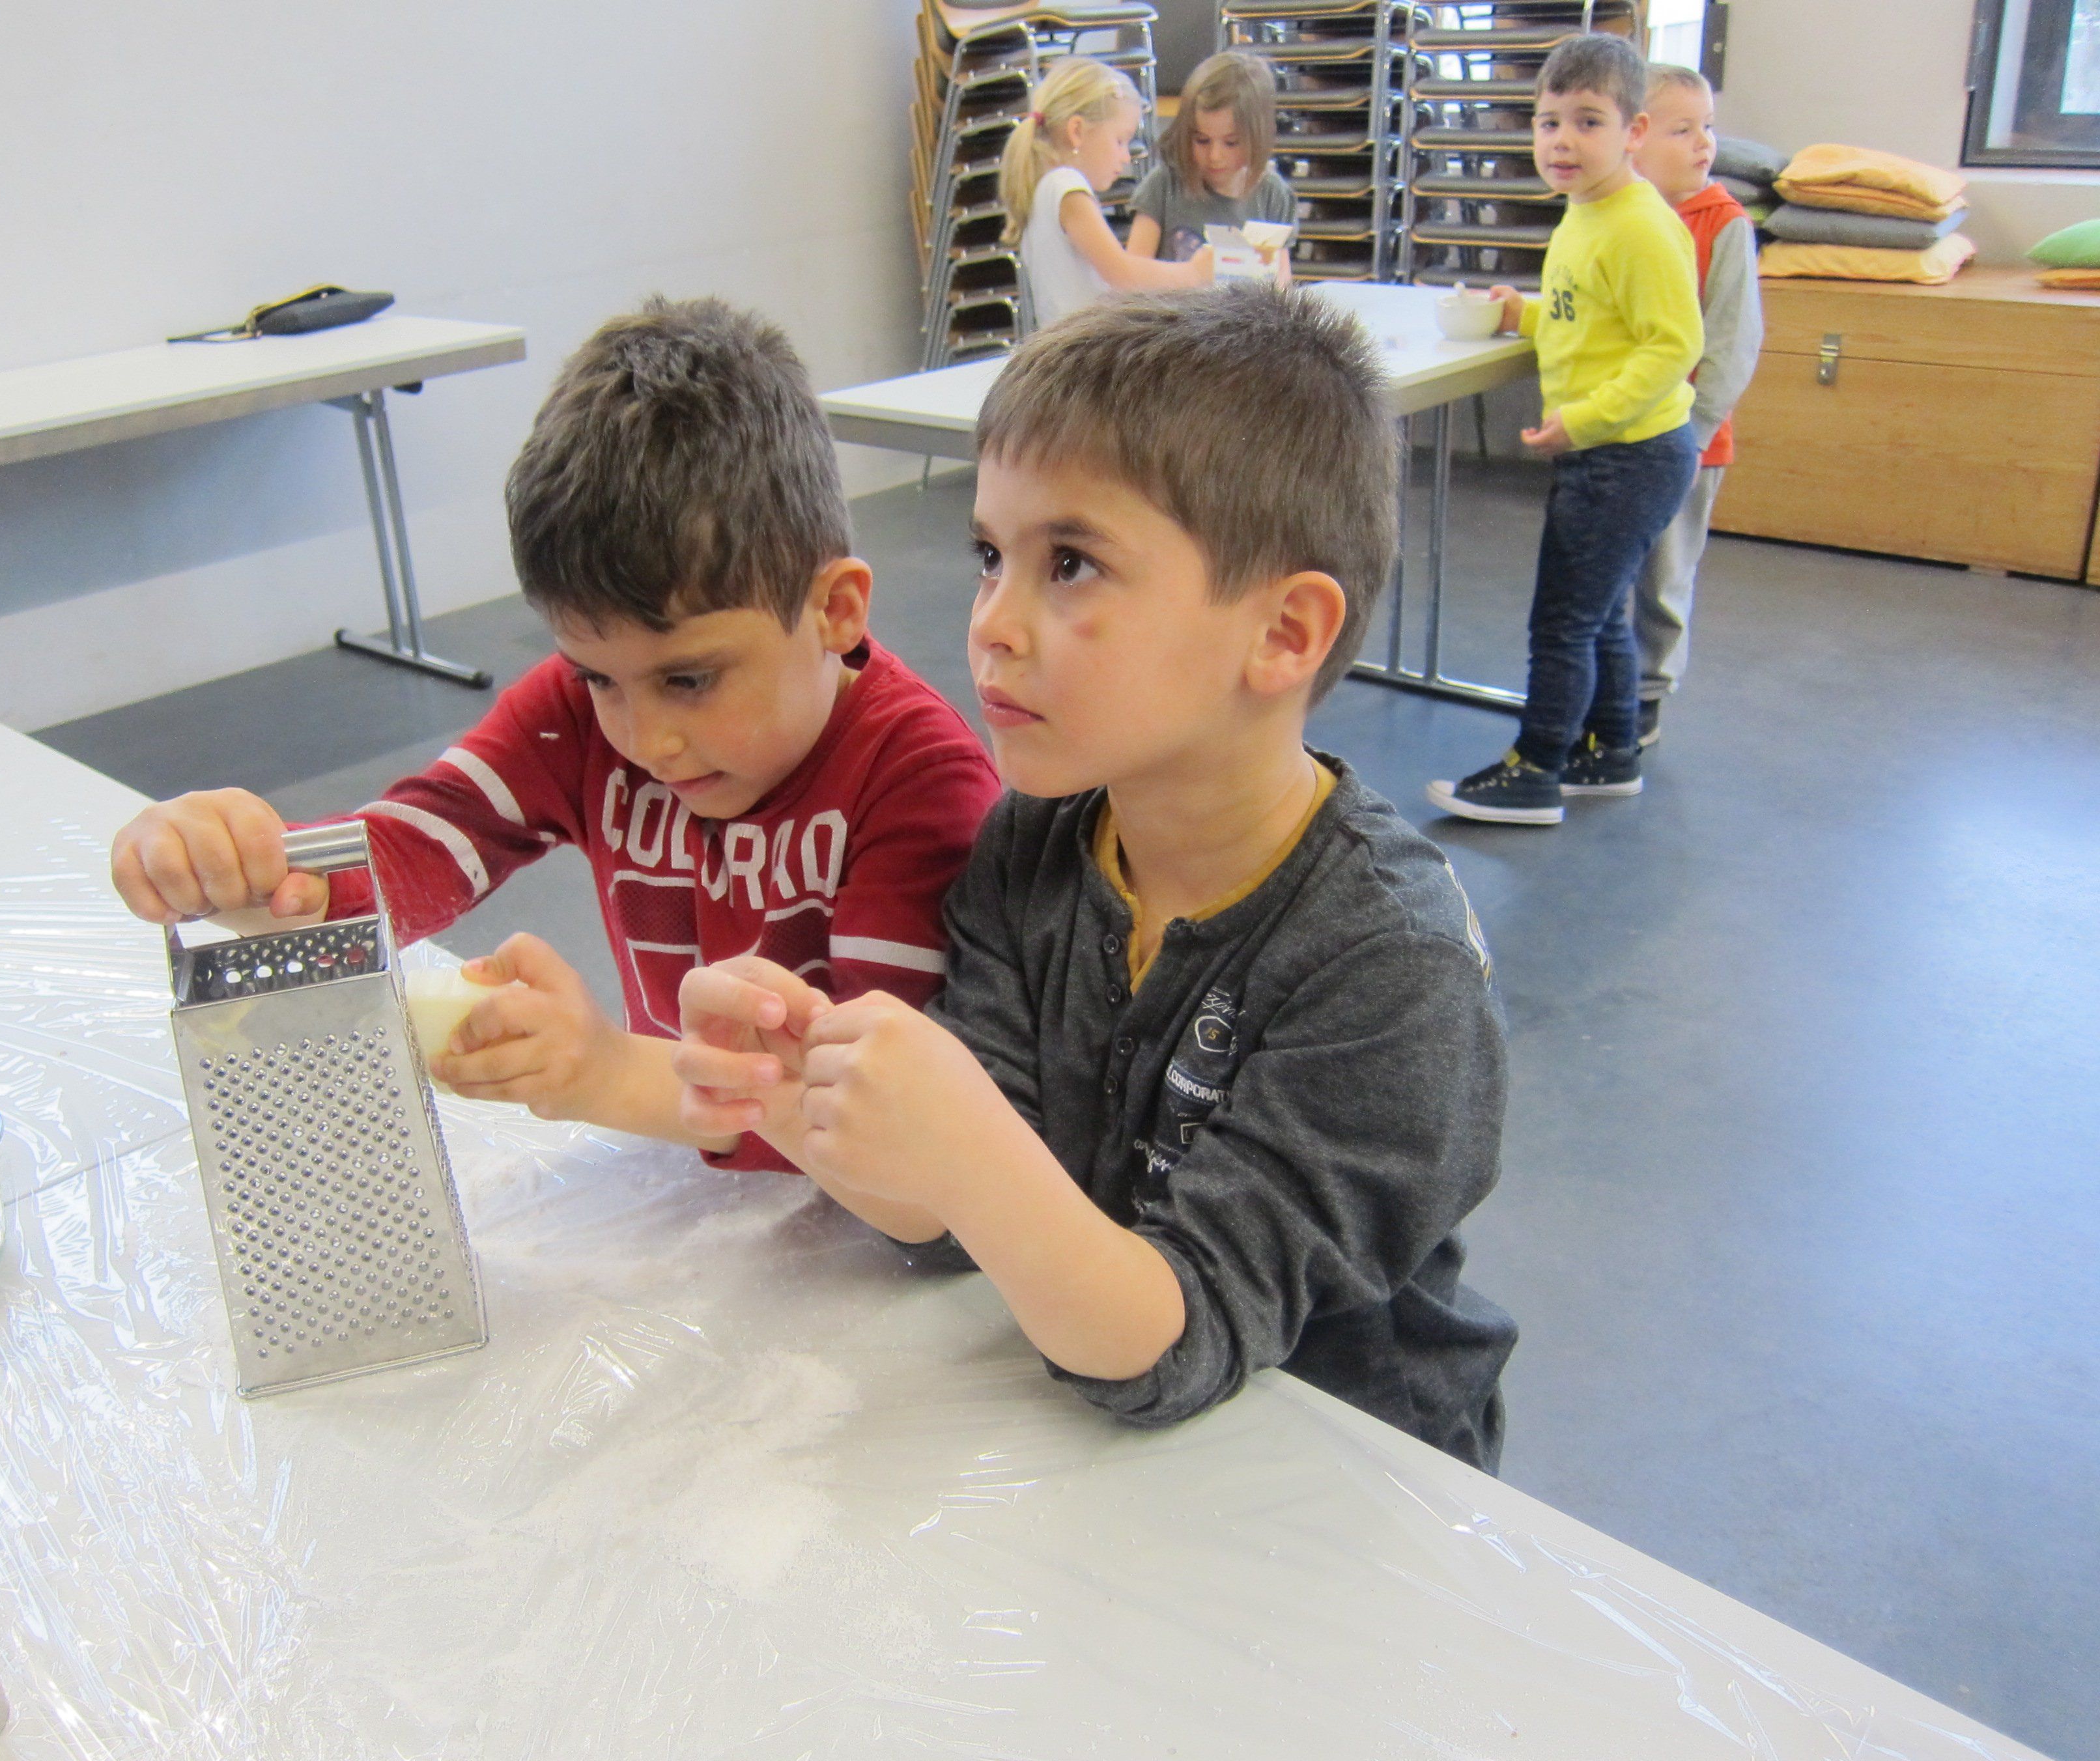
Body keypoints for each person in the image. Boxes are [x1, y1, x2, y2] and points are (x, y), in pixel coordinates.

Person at [673, 284, 1518, 1469]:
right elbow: (954, 1220)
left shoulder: (1390, 967)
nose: (991, 623)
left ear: (1282, 633)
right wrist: (798, 1097)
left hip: (1350, 1483)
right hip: (1123, 1450)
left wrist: (962, 1140)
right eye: (990, 556)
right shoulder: (1036, 844)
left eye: (1069, 564)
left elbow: (1178, 1341)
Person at [108, 296, 1000, 1169]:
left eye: (689, 680)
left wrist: (608, 1074)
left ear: (835, 609)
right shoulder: (579, 718)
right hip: (699, 1181)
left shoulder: (920, 784)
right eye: (597, 677)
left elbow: (883, 1125)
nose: (646, 740)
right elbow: (415, 853)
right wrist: (239, 862)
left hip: (879, 1227)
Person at [1426, 33, 1705, 825]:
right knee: (1601, 611)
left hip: (1627, 454)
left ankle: (1537, 767)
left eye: (1588, 122)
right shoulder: (1587, 215)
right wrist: (1528, 315)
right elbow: (1592, 319)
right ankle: (1609, 751)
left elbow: (1674, 347)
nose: (1562, 142)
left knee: (1564, 620)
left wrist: (1583, 419)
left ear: (1634, 132)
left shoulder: (1639, 226)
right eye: (1549, 122)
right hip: (1613, 452)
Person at [1628, 63, 1763, 748]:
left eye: (1707, 127)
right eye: (1682, 130)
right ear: (1635, 138)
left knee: (1664, 573)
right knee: (1613, 572)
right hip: (1619, 436)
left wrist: (1695, 430)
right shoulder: (1621, 218)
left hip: (1687, 442)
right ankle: (1609, 684)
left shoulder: (1724, 224)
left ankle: (1648, 692)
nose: (1704, 143)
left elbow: (1734, 343)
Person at [1004, 56, 1212, 326]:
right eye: (1120, 141)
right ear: (1077, 131)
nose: (1126, 156)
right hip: (1086, 346)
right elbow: (1121, 275)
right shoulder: (1067, 187)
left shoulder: (1045, 188)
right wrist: (1194, 273)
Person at [1126, 49, 1296, 285]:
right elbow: (1130, 277)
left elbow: (1282, 282)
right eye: (1202, 141)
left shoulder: (1274, 196)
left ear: (1258, 137)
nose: (1215, 156)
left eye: (1231, 143)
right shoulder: (1163, 186)